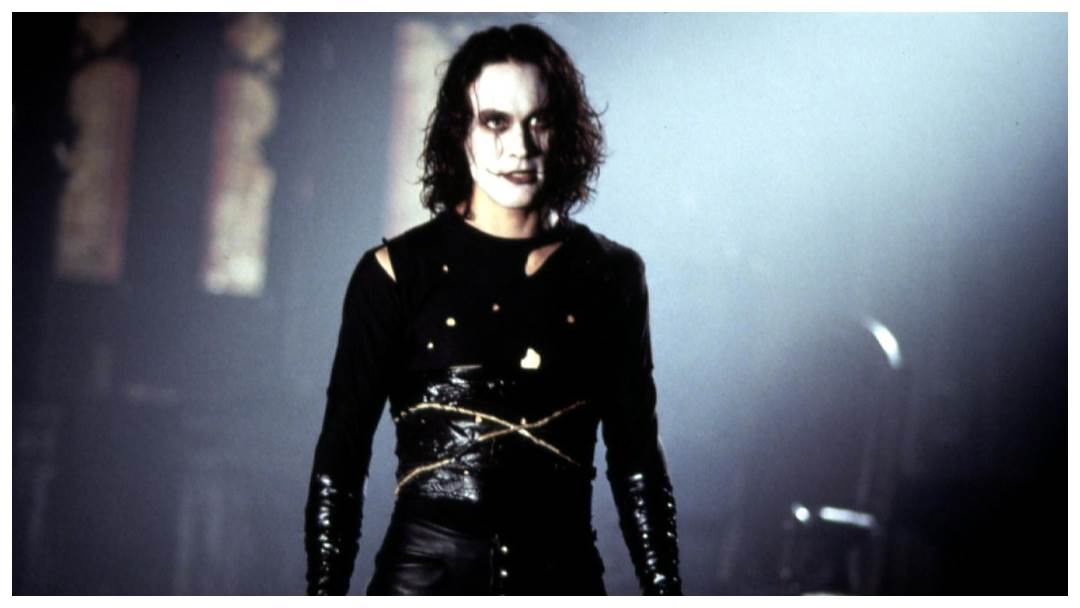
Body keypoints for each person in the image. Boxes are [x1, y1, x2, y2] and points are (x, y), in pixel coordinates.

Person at [304, 23, 681, 595]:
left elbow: (638, 464)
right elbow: (340, 463)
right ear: (461, 132)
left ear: (566, 130)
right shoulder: (393, 274)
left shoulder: (613, 275)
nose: (520, 147)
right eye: (496, 122)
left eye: (540, 120)